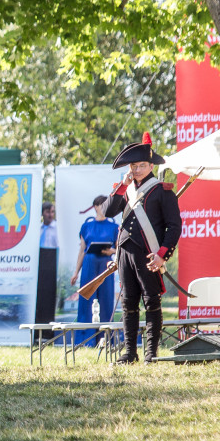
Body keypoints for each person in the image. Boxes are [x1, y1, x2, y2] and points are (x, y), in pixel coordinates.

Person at [101, 132, 181, 364]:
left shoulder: (162, 190)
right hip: (125, 253)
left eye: (141, 165)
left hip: (148, 254)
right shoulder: (126, 190)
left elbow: (174, 228)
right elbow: (107, 211)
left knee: (151, 301)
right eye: (133, 166)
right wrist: (121, 185)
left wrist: (162, 255)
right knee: (128, 302)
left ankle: (150, 353)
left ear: (150, 165)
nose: (136, 170)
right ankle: (129, 352)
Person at [69, 196, 118, 347]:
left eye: (106, 205)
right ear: (95, 206)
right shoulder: (87, 226)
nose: (103, 208)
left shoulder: (114, 227)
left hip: (106, 264)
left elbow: (119, 248)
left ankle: (106, 339)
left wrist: (112, 250)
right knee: (85, 300)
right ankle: (84, 339)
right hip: (89, 262)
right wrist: (76, 271)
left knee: (106, 301)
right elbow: (82, 250)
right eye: (101, 205)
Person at [35, 201, 59, 332]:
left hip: (51, 266)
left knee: (49, 298)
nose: (50, 215)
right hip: (39, 266)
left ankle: (49, 331)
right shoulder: (37, 228)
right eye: (48, 212)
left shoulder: (57, 229)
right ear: (42, 213)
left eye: (52, 212)